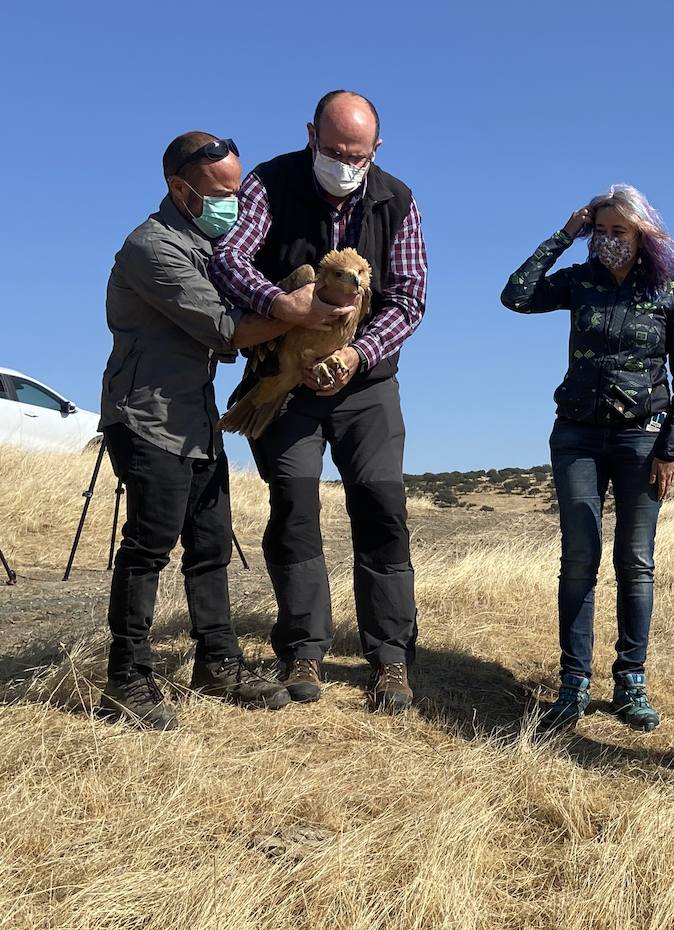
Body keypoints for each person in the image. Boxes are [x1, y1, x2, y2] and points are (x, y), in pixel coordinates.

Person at [210, 90, 428, 714]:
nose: (344, 164)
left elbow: (410, 298)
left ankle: (390, 658)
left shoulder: (399, 199)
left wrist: (356, 355)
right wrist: (284, 307)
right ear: (310, 135)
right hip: (282, 382)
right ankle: (303, 646)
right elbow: (229, 258)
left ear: (375, 150)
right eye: (332, 151)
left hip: (367, 385)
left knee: (382, 509)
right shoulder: (269, 183)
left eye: (356, 155)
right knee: (294, 509)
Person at [99, 131, 313, 729]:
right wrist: (301, 313)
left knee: (211, 545)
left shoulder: (207, 247)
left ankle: (217, 663)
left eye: (239, 193)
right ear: (179, 188)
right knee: (148, 549)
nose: (234, 206)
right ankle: (127, 680)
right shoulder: (153, 248)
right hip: (148, 418)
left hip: (195, 420)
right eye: (221, 193)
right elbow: (227, 330)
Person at [501, 185, 674, 733]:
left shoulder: (669, 285)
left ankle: (631, 681)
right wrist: (564, 235)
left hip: (642, 438)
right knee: (579, 558)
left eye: (621, 232)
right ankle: (574, 683)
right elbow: (516, 295)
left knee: (635, 562)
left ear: (642, 235)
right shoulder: (580, 278)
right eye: (602, 230)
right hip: (577, 437)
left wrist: (671, 449)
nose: (610, 241)